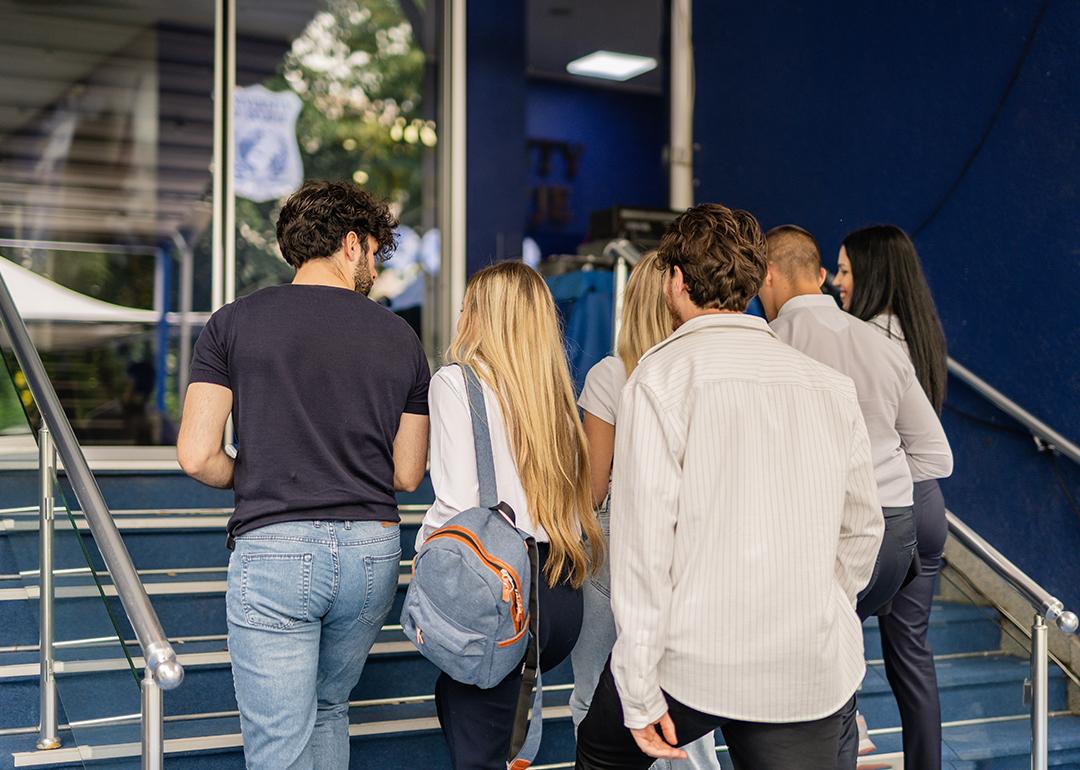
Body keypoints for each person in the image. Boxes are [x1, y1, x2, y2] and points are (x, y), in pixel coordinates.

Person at [575, 204, 884, 770]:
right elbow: (865, 525)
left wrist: (639, 689)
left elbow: (644, 550)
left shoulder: (660, 378)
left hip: (691, 659)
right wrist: (822, 603)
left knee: (599, 756)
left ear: (675, 281)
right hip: (804, 661)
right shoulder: (828, 385)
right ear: (753, 280)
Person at [176, 180, 431, 770]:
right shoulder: (401, 337)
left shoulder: (233, 323)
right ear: (350, 244)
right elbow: (408, 473)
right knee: (329, 709)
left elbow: (195, 455)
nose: (374, 265)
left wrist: (257, 473)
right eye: (373, 250)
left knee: (279, 745)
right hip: (371, 552)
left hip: (276, 551)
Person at [759, 224, 954, 763]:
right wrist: (878, 478)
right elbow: (937, 457)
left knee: (821, 663)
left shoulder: (769, 346)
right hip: (904, 530)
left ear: (767, 275)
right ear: (818, 275)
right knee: (898, 654)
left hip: (830, 538)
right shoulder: (881, 341)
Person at [419, 260, 603, 770]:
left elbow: (458, 506)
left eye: (465, 308)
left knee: (479, 745)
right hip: (558, 594)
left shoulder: (457, 382)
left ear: (481, 316)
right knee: (488, 728)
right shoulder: (555, 396)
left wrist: (423, 555)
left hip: (497, 595)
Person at [569, 251, 719, 770]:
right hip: (693, 541)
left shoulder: (613, 374)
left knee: (596, 692)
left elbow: (593, 487)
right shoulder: (705, 371)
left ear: (632, 304)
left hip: (617, 542)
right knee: (683, 704)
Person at [835, 224, 952, 770]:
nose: (837, 284)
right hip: (927, 506)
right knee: (911, 656)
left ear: (872, 275)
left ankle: (846, 736)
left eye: (845, 271)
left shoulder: (868, 341)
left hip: (885, 507)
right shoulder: (921, 331)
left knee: (835, 627)